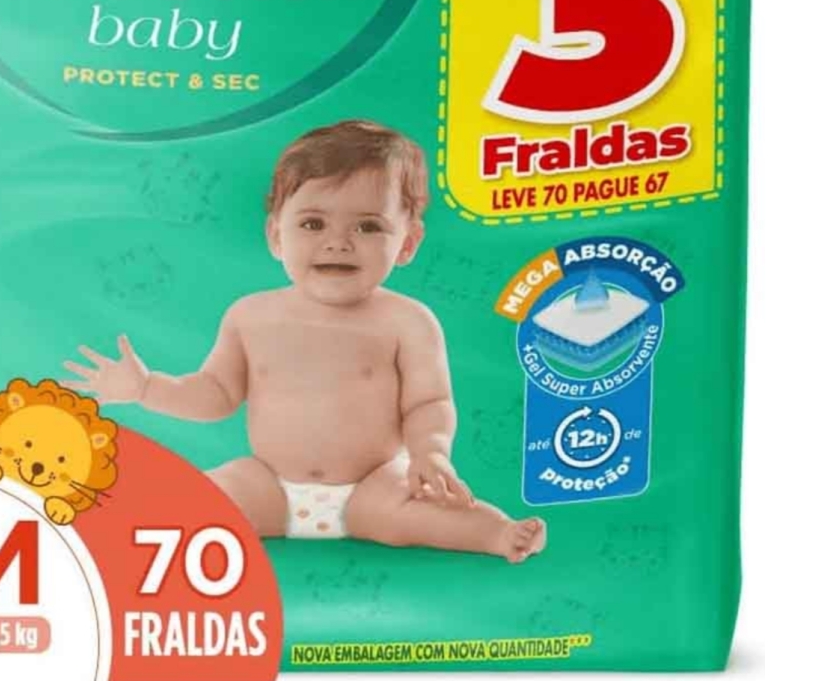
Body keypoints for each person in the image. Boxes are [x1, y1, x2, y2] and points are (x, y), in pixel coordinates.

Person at [65, 119, 546, 562]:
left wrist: (430, 453)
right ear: (276, 235)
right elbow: (215, 394)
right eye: (313, 223)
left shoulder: (407, 322)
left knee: (423, 514)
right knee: (204, 496)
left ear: (407, 242)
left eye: (368, 226)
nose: (338, 242)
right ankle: (112, 531)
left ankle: (499, 534)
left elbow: (428, 402)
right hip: (270, 485)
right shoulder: (250, 316)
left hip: (375, 486)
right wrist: (147, 388)